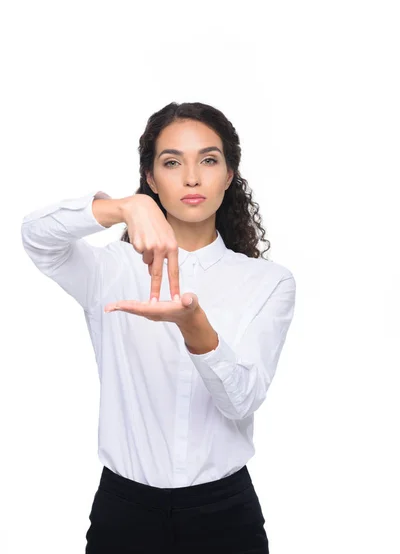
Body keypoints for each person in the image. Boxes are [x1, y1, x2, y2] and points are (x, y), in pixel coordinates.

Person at [21, 101, 296, 553]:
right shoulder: (109, 269)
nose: (192, 178)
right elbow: (35, 237)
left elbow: (242, 401)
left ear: (229, 175)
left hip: (224, 515)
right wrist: (120, 208)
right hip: (124, 512)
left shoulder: (267, 282)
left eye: (208, 160)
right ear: (151, 177)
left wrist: (195, 326)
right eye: (172, 162)